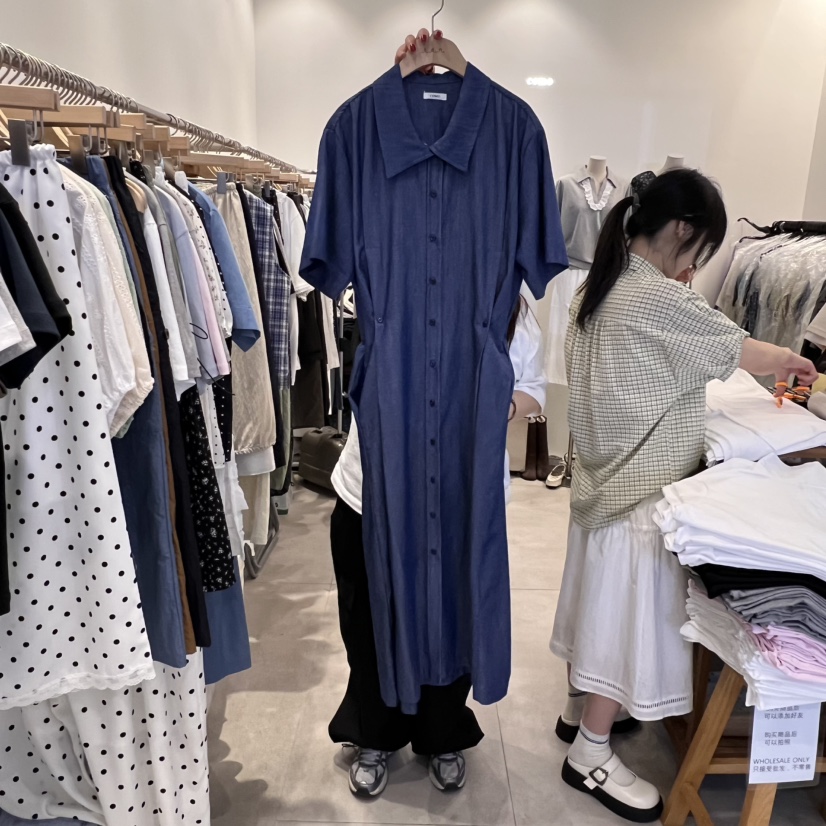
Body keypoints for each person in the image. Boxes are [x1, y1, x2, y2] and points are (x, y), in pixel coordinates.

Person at [549, 168, 818, 822]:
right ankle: (589, 753)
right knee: (623, 621)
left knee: (597, 606)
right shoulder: (659, 297)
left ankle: (580, 710)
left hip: (602, 479)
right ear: (681, 229)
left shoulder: (601, 284)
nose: (697, 264)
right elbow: (737, 348)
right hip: (640, 489)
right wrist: (793, 361)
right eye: (701, 248)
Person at [329, 286, 546, 797]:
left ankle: (442, 731)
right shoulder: (389, 279)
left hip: (462, 499)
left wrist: (490, 402)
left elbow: (534, 393)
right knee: (370, 621)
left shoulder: (506, 300)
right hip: (373, 492)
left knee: (449, 621)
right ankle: (374, 732)